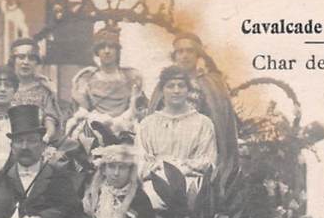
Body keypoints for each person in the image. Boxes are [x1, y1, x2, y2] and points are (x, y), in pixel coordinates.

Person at [148, 33, 239, 186]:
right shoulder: (163, 85)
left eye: (190, 51)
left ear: (198, 55)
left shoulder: (212, 84)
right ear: (174, 55)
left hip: (202, 147)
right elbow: (153, 119)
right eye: (180, 51)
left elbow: (223, 121)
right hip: (166, 146)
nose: (185, 55)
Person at [137, 66, 218, 201]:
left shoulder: (203, 123)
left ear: (188, 90)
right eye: (170, 86)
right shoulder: (147, 124)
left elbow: (208, 161)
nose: (176, 91)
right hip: (155, 185)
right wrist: (162, 170)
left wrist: (179, 168)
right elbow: (140, 161)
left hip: (191, 185)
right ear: (162, 90)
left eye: (181, 86)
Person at [66, 24, 146, 140]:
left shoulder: (131, 77)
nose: (107, 51)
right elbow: (84, 108)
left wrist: (120, 122)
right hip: (95, 127)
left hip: (125, 127)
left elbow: (135, 107)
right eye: (102, 47)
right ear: (97, 51)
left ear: (117, 51)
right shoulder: (86, 78)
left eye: (111, 47)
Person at [7, 38, 61, 144]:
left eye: (31, 58)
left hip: (36, 143)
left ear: (37, 62)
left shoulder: (44, 90)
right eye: (21, 57)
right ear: (13, 60)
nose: (26, 62)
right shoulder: (4, 86)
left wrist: (47, 136)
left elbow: (50, 118)